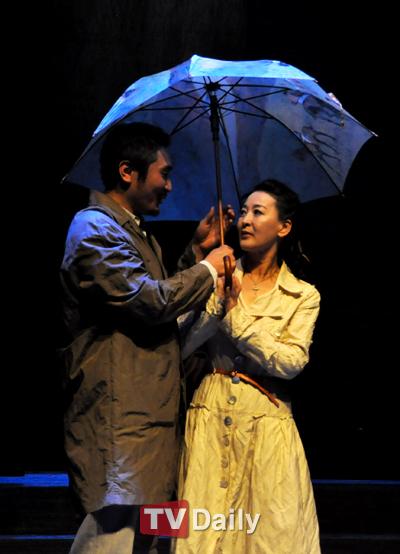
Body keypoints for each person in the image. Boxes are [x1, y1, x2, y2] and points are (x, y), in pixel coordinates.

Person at [60, 121, 235, 553]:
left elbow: (160, 309)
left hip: (148, 425)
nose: (169, 186)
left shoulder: (133, 231)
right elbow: (148, 301)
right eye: (164, 173)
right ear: (127, 172)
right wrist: (208, 268)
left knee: (147, 540)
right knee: (112, 539)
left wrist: (196, 251)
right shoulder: (95, 229)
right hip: (122, 426)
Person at [174, 179, 321, 553]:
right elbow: (178, 346)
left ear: (283, 227)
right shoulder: (216, 277)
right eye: (243, 212)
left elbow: (291, 362)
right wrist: (215, 303)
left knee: (269, 537)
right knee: (202, 536)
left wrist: (235, 317)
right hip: (210, 414)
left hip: (267, 424)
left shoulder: (302, 295)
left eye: (258, 212)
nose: (245, 220)